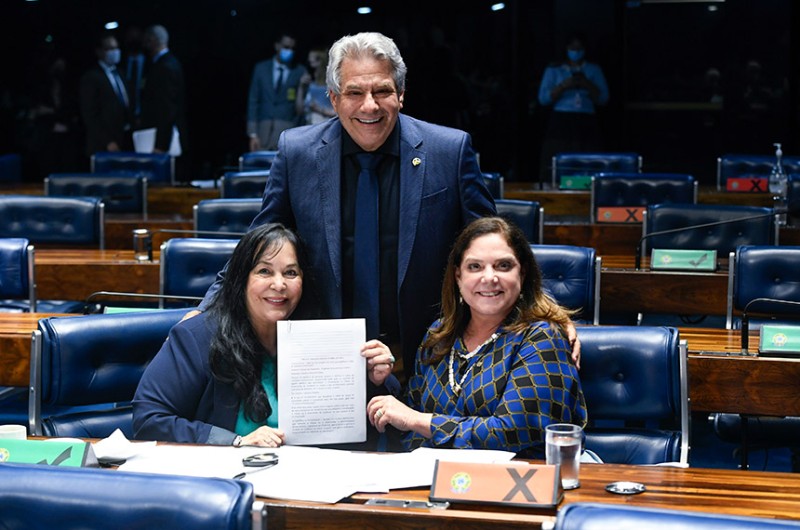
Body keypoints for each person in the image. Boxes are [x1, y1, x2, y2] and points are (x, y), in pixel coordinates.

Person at [193, 32, 499, 382]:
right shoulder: (298, 153)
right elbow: (260, 243)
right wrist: (206, 310)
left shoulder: (449, 150)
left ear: (401, 95)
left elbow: (498, 247)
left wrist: (546, 316)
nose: (370, 105)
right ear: (334, 99)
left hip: (429, 357)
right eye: (355, 93)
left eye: (382, 91)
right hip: (326, 361)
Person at [132, 223, 398, 447]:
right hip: (225, 484)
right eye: (264, 271)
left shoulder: (321, 338)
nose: (279, 284)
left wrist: (375, 381)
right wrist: (236, 442)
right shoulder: (198, 337)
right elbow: (149, 420)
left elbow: (366, 426)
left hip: (310, 483)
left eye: (290, 273)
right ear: (241, 279)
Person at [367, 216, 588, 458]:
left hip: (517, 484)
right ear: (458, 277)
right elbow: (406, 422)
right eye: (475, 267)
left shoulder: (541, 337)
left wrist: (422, 422)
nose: (489, 277)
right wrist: (383, 383)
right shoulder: (439, 335)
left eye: (503, 266)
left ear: (522, 274)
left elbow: (513, 432)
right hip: (436, 481)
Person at [537, 33, 609, 182]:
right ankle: (555, 187)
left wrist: (586, 83)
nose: (575, 51)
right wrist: (564, 85)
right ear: (565, 48)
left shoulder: (593, 69)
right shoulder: (554, 69)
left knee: (587, 160)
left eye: (579, 48)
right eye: (572, 47)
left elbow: (603, 99)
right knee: (557, 158)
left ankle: (585, 187)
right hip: (561, 119)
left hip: (586, 119)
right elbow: (543, 99)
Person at [246, 33, 308, 151]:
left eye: (292, 48)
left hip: (287, 132)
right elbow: (253, 100)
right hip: (262, 130)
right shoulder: (261, 69)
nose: (289, 51)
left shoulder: (299, 71)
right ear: (277, 46)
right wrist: (252, 134)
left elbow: (301, 108)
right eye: (286, 47)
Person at [79, 33, 132, 156]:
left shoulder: (121, 74)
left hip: (125, 138)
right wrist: (107, 141)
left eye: (116, 48)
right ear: (99, 51)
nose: (115, 51)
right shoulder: (91, 77)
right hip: (104, 144)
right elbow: (90, 114)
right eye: (110, 48)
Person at [137, 24, 186, 155]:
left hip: (162, 138)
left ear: (152, 40)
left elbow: (167, 108)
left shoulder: (165, 67)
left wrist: (161, 145)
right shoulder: (167, 63)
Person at [298, 48, 336, 125]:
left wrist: (319, 109)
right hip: (309, 124)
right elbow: (299, 109)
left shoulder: (331, 83)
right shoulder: (308, 81)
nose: (310, 61)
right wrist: (301, 87)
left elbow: (339, 112)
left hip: (325, 124)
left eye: (315, 59)